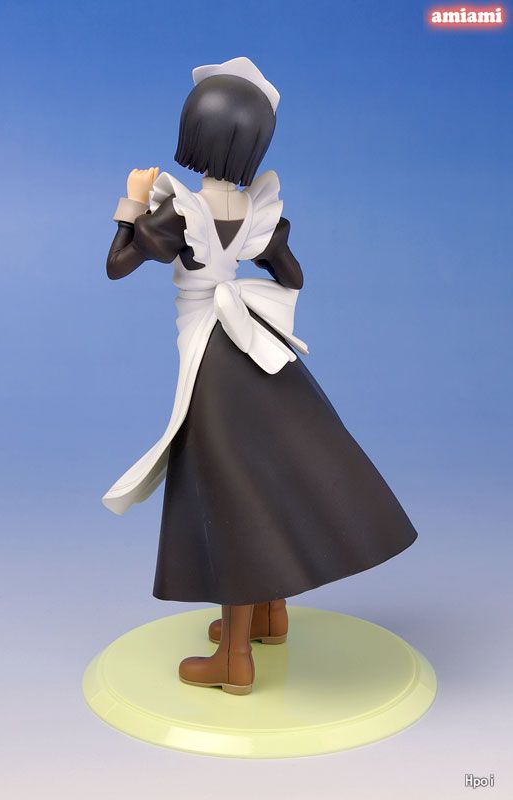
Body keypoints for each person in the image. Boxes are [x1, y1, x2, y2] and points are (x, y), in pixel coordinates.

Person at [102, 57, 418, 695]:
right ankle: (272, 616)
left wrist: (131, 203)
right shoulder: (258, 211)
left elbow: (117, 265)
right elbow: (293, 276)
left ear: (197, 132)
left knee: (231, 497)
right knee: (268, 478)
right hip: (261, 353)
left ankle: (234, 659)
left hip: (213, 362)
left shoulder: (182, 212)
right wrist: (243, 270)